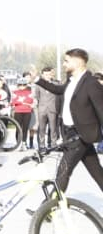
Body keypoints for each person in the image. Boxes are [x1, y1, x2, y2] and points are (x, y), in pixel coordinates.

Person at [34, 49, 103, 195]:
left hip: (80, 135)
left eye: (66, 61)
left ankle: (49, 206)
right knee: (98, 173)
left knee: (63, 171)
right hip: (70, 133)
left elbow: (101, 109)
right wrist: (38, 80)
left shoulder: (91, 83)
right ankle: (50, 205)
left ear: (78, 62)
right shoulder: (71, 81)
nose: (64, 64)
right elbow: (58, 89)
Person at [33, 66, 60, 149]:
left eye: (49, 74)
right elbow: (37, 96)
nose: (47, 76)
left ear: (51, 75)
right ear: (42, 75)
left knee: (53, 128)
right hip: (42, 109)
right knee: (42, 128)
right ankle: (42, 145)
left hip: (52, 109)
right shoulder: (38, 85)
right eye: (46, 74)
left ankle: (53, 144)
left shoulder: (56, 84)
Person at [12, 76, 34, 149]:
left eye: (24, 84)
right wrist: (23, 103)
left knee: (25, 128)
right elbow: (13, 102)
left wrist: (21, 103)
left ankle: (24, 143)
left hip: (27, 112)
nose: (22, 86)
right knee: (18, 128)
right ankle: (18, 143)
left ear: (26, 85)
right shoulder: (14, 92)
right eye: (20, 85)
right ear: (18, 85)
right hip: (18, 112)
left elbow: (31, 102)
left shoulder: (30, 93)